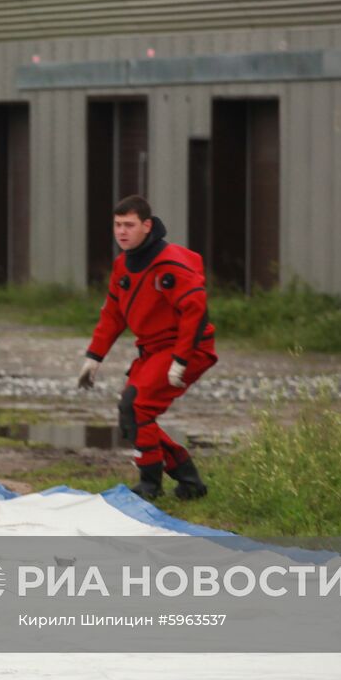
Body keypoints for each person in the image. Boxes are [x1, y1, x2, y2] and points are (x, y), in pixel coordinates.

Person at [78, 195, 216, 501]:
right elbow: (112, 314)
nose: (122, 232)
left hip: (186, 347)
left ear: (147, 226)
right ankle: (188, 480)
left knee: (137, 408)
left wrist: (181, 360)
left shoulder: (171, 266)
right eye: (117, 225)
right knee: (131, 414)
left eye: (129, 225)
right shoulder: (122, 266)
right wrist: (94, 357)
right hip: (153, 350)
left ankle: (150, 486)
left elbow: (196, 312)